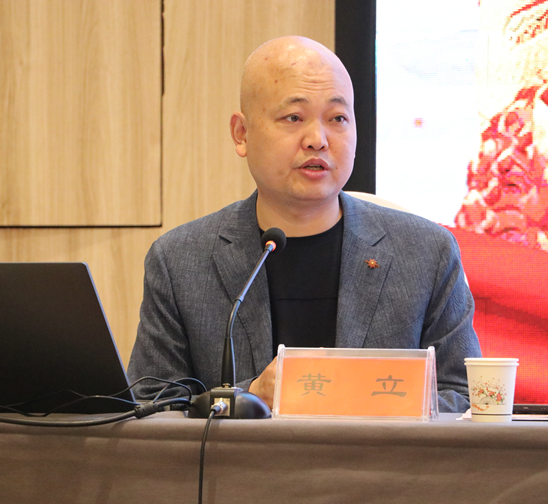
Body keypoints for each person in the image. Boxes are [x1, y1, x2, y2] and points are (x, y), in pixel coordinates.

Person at [127, 36, 481, 412]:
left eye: (337, 118)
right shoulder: (180, 260)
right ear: (242, 134)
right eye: (294, 118)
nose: (317, 140)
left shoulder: (426, 253)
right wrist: (248, 397)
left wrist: (353, 399)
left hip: (379, 453)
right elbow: (150, 404)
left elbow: (465, 396)